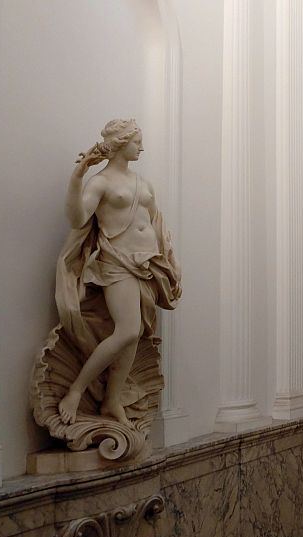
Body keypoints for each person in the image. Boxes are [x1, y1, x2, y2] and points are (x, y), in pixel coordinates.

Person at [54, 118, 181, 428]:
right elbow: (77, 218)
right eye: (137, 141)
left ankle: (111, 401)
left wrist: (167, 259)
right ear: (122, 143)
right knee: (126, 330)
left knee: (134, 333)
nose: (142, 147)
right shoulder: (100, 182)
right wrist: (77, 175)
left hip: (146, 263)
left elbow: (154, 225)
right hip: (117, 261)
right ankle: (76, 390)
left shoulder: (144, 183)